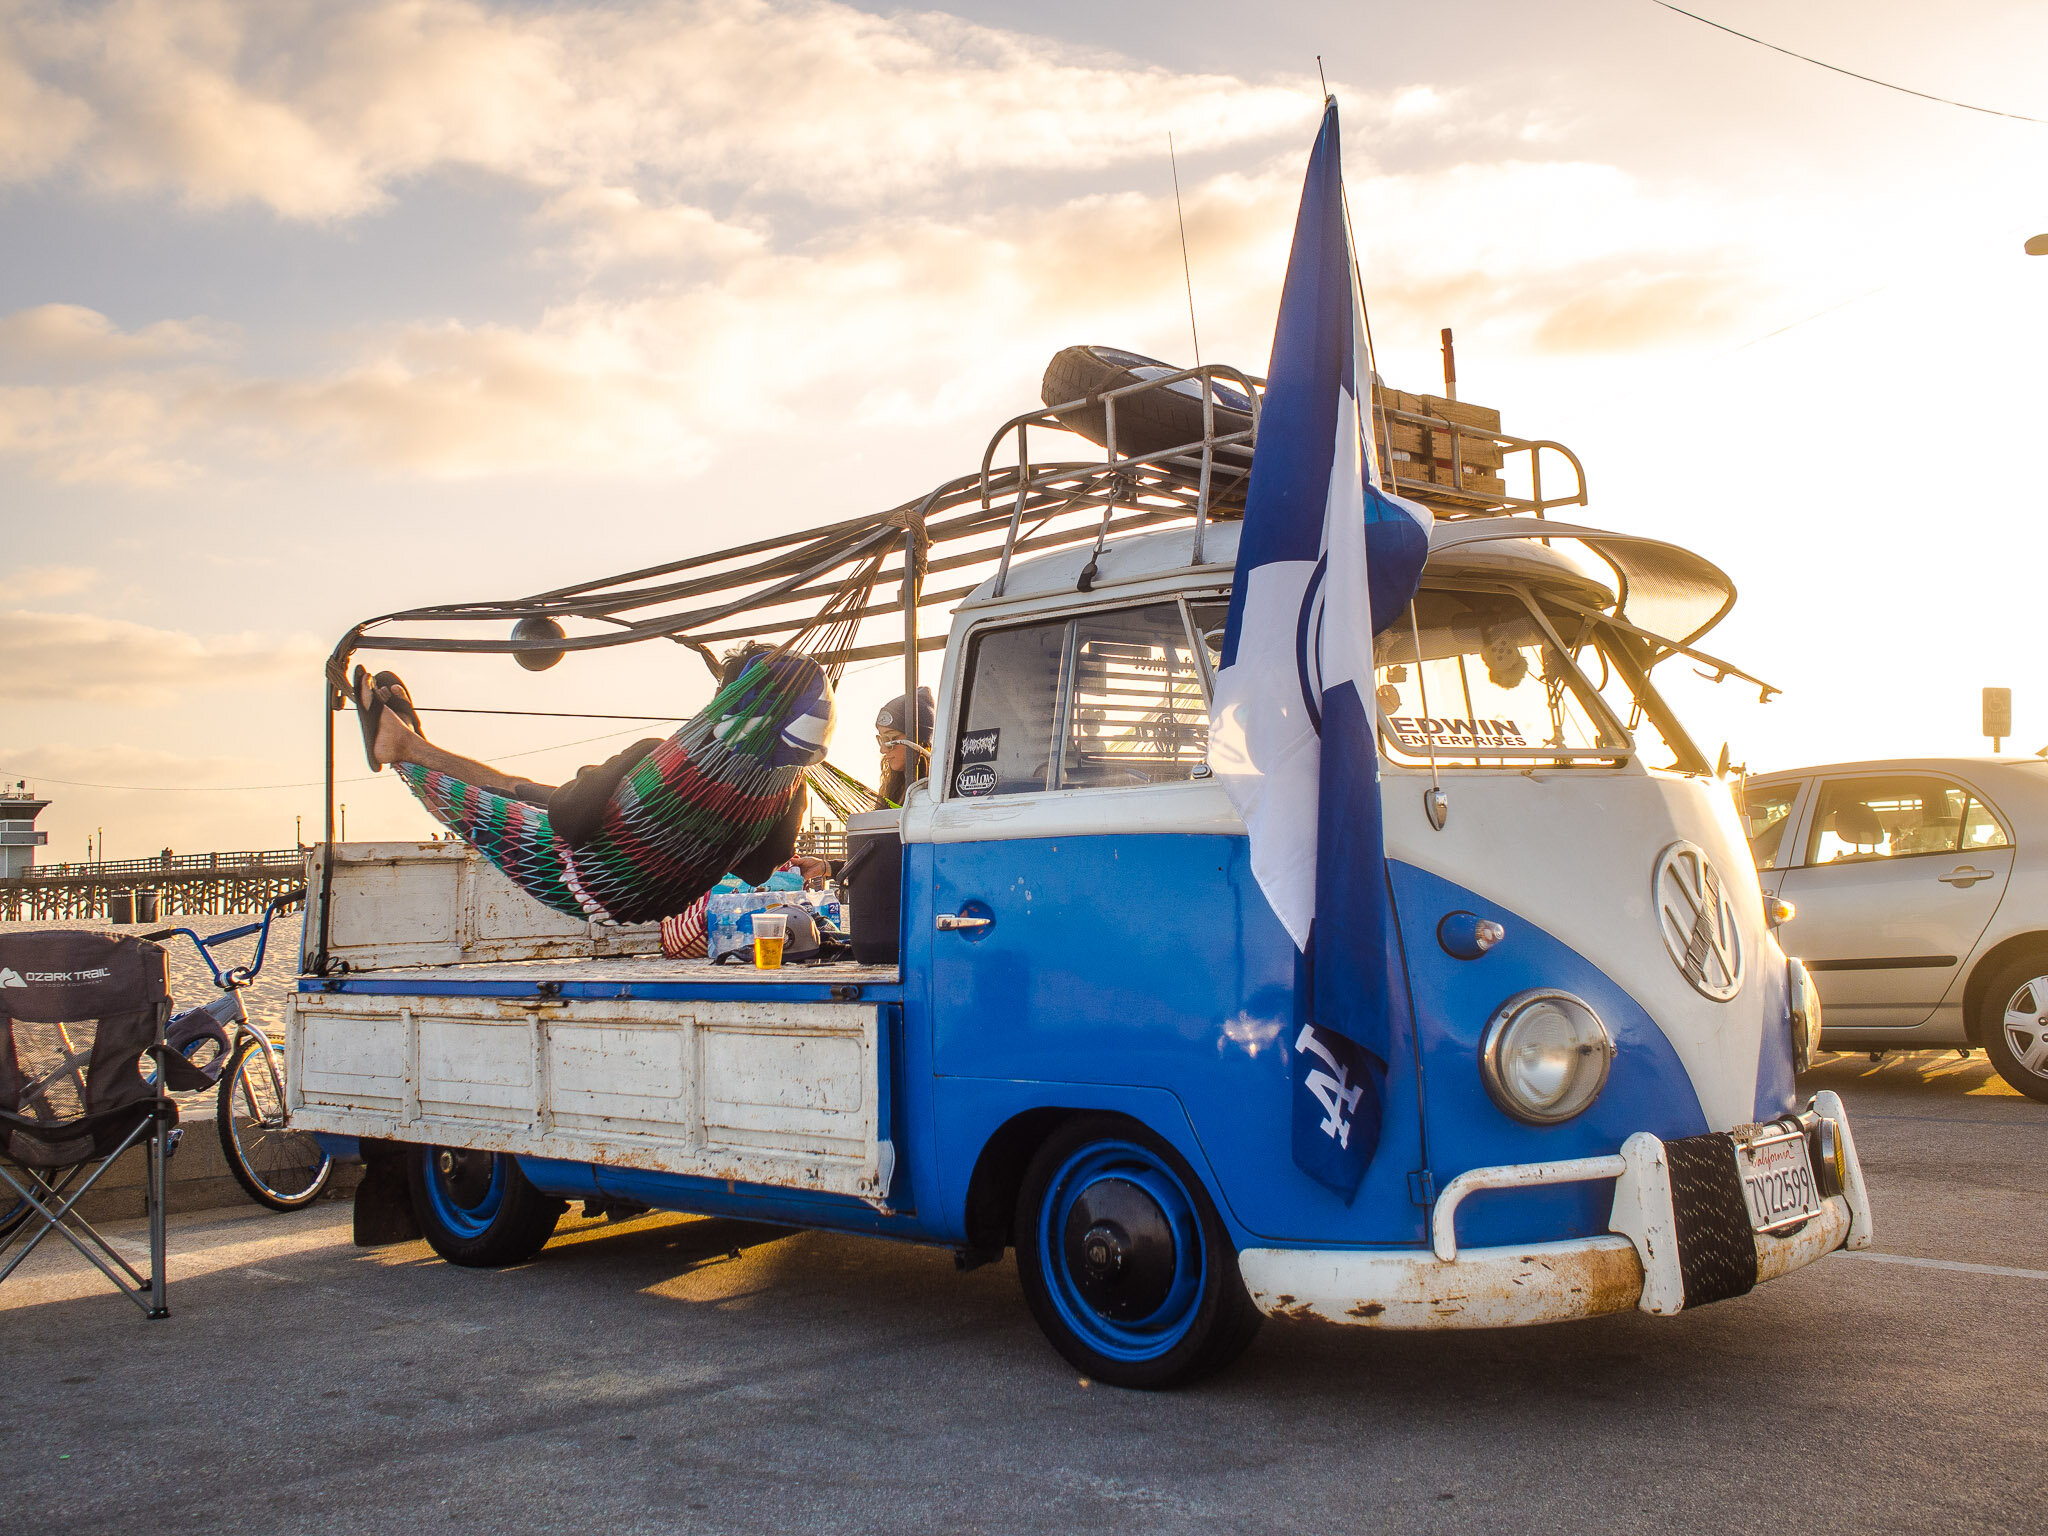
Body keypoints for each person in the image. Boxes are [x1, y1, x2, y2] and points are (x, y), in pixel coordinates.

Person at [352, 644, 833, 927]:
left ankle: (403, 749)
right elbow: (755, 869)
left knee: (511, 791)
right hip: (652, 898)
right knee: (521, 788)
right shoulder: (786, 794)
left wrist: (602, 775)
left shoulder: (658, 759)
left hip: (577, 876)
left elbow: (567, 819)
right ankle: (413, 743)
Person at [874, 687, 933, 809]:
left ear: (918, 741)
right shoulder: (891, 790)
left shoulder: (937, 794)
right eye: (882, 740)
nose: (883, 750)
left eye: (891, 739)